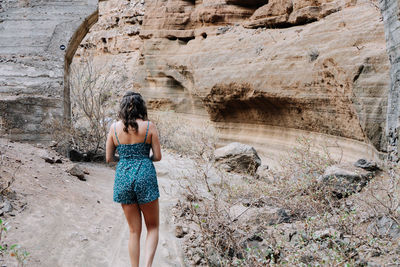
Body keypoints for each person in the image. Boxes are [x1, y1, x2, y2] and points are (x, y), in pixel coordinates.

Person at [105, 91, 162, 267]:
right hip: (145, 174)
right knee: (152, 227)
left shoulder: (114, 128)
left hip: (123, 175)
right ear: (141, 107)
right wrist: (145, 160)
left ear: (123, 107)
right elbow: (158, 156)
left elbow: (109, 158)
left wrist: (124, 160)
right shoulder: (149, 127)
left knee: (133, 231)